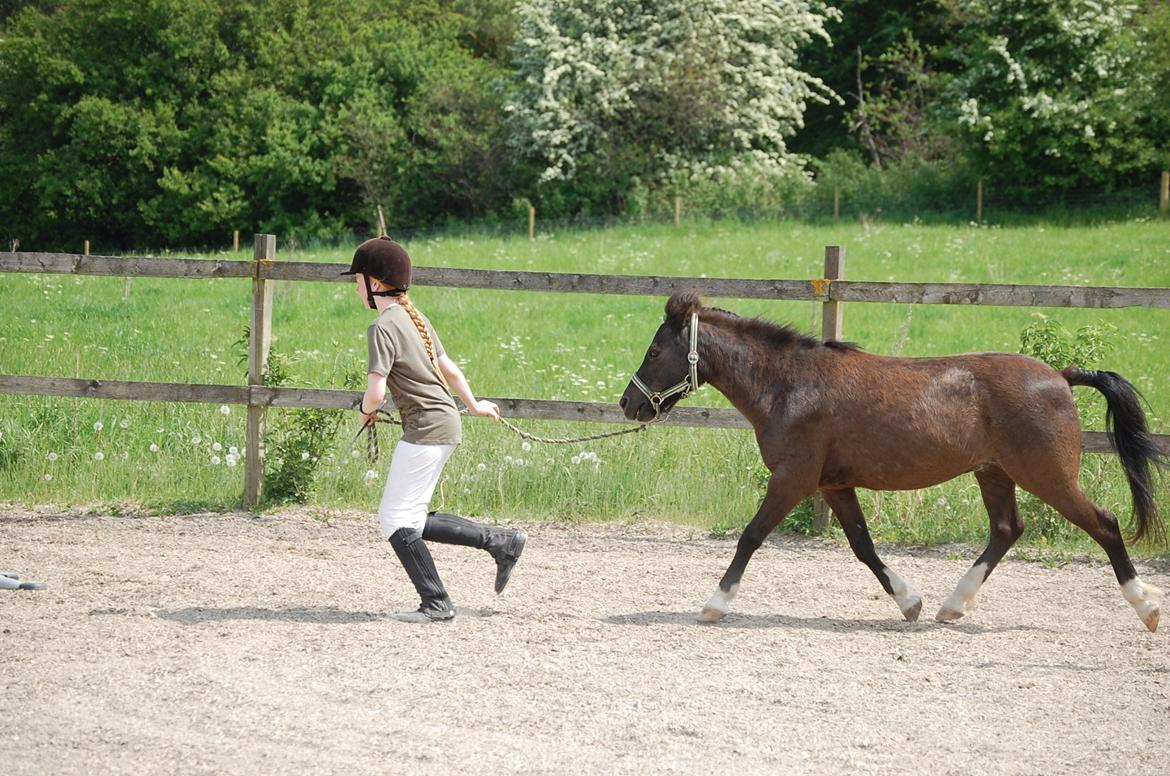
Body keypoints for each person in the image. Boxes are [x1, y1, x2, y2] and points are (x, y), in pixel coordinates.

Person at [342, 236, 526, 623]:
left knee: (395, 517)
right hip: (445, 422)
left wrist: (363, 411)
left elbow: (376, 393)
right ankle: (501, 542)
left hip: (426, 429)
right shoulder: (416, 317)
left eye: (357, 280)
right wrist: (473, 405)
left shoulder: (382, 327)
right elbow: (450, 368)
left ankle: (436, 602)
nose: (355, 287)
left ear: (375, 283)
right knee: (410, 515)